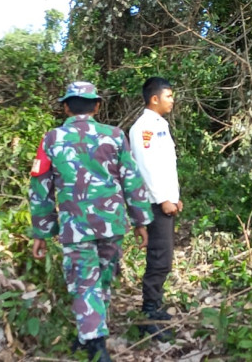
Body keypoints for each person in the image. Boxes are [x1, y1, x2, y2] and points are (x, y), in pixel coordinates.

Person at [29, 81, 153, 362]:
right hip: (112, 223)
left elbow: (40, 187)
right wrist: (141, 221)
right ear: (97, 106)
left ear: (66, 107)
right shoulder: (115, 135)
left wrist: (41, 232)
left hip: (76, 227)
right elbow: (131, 180)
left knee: (85, 282)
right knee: (103, 279)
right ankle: (91, 334)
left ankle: (94, 342)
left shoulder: (52, 139)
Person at [129, 77, 183, 340]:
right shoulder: (143, 128)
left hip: (163, 200)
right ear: (154, 99)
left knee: (164, 258)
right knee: (159, 260)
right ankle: (147, 316)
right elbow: (146, 167)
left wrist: (174, 195)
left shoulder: (160, 125)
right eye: (169, 96)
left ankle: (154, 307)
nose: (172, 100)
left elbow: (166, 166)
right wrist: (163, 199)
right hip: (153, 203)